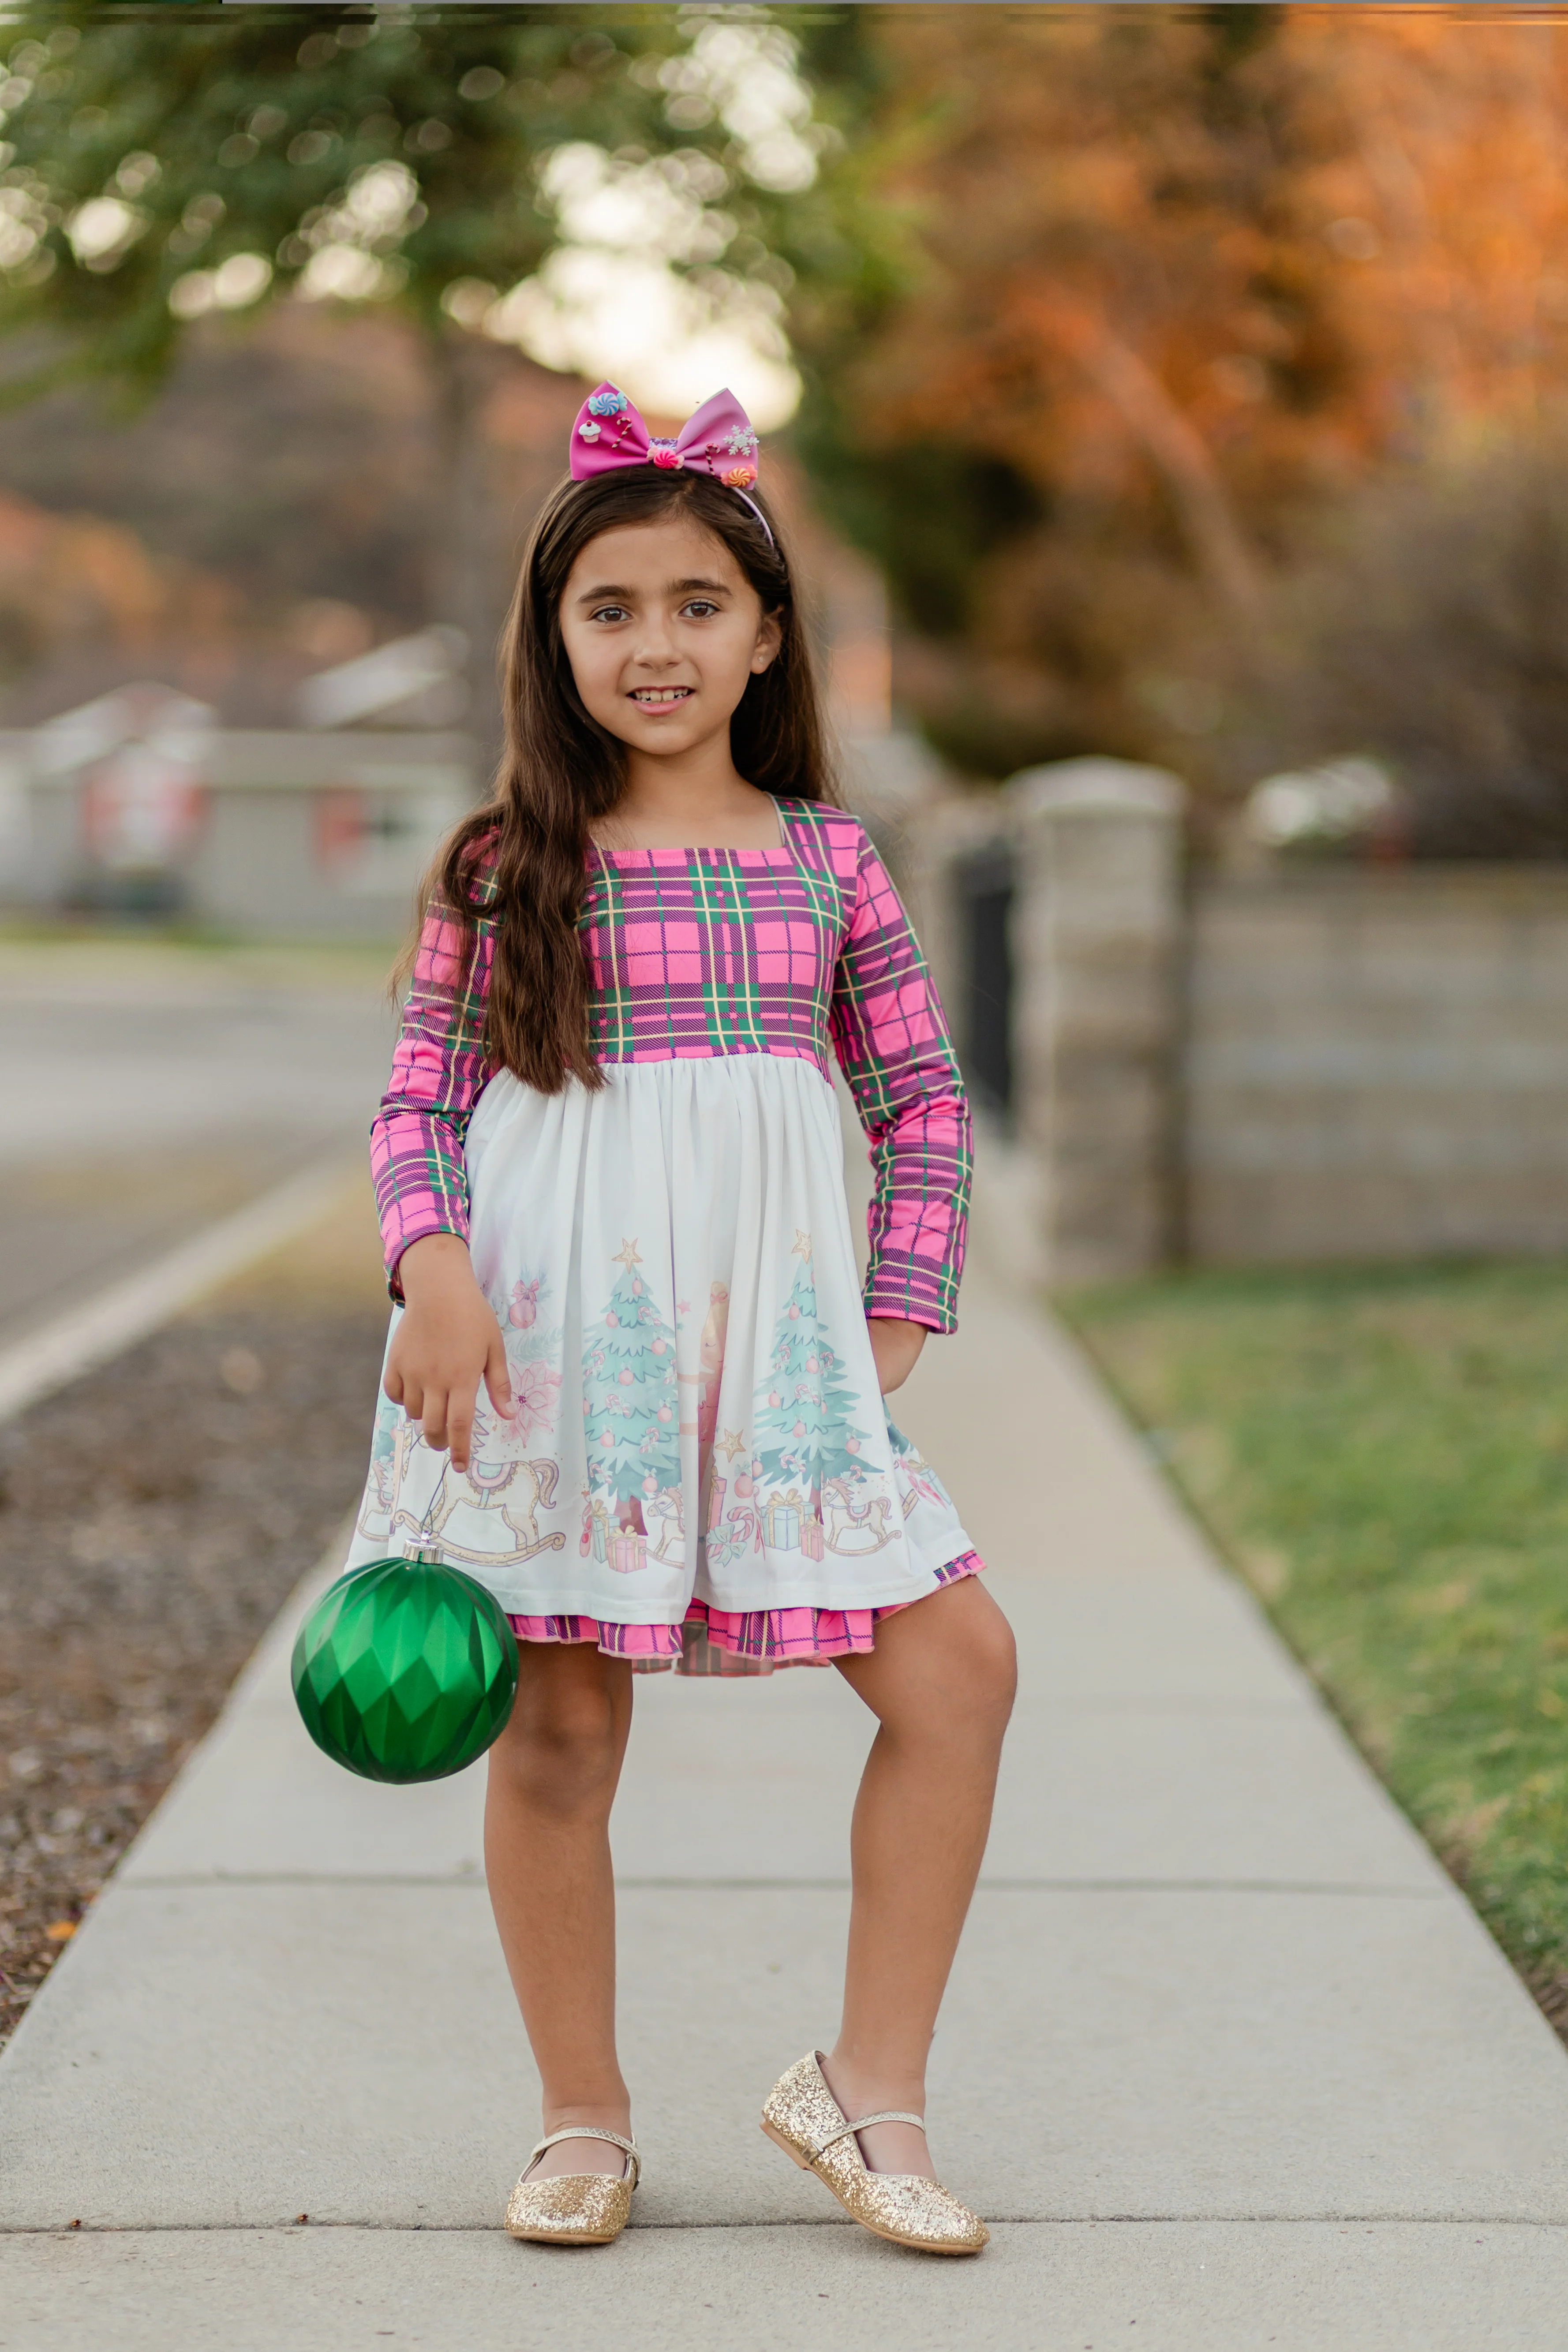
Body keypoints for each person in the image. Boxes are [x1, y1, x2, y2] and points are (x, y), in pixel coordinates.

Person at [349, 384, 1017, 2256]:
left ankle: (866, 2090)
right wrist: (437, 1268)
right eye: (613, 609)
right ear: (554, 643)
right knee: (557, 1729)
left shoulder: (829, 865)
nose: (657, 644)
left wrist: (889, 1316)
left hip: (782, 1368)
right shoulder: (506, 869)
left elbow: (927, 1103)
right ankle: (582, 2116)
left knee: (958, 1670)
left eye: (699, 604)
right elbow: (416, 1100)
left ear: (768, 631)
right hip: (557, 1358)